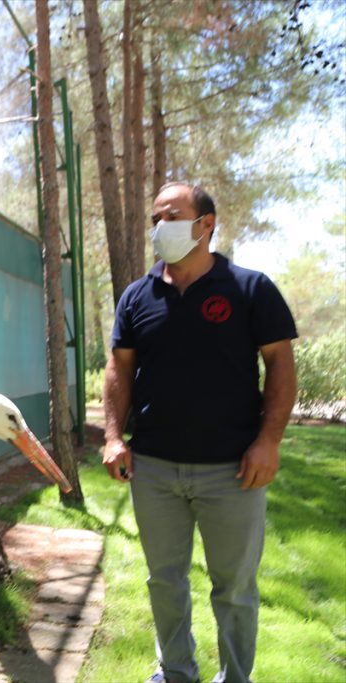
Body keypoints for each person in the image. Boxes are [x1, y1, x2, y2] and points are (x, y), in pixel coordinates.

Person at [103, 182, 297, 683]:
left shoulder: (251, 289)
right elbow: (119, 371)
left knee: (233, 588)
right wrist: (112, 436)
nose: (158, 228)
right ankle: (176, 672)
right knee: (164, 582)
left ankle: (236, 677)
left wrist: (268, 441)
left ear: (205, 225)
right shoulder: (136, 296)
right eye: (154, 219)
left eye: (170, 215)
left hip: (233, 471)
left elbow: (280, 366)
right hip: (155, 471)